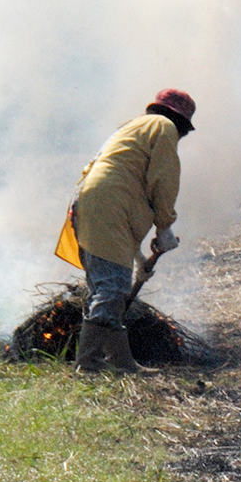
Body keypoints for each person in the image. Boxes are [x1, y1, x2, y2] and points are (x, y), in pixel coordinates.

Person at [71, 88, 195, 374]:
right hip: (108, 203)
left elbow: (123, 209)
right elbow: (163, 179)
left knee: (105, 287)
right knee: (112, 289)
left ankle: (121, 362)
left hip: (92, 202)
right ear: (181, 122)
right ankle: (88, 364)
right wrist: (165, 225)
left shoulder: (133, 127)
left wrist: (139, 261)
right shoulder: (163, 127)